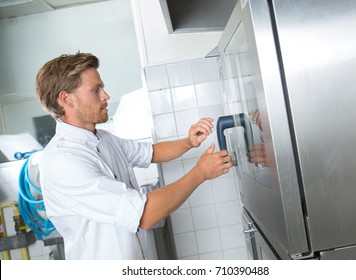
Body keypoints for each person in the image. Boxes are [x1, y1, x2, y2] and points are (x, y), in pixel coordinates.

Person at [35, 52, 233, 260]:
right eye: (95, 90)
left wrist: (189, 142)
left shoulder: (102, 138)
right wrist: (200, 172)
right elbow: (144, 214)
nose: (106, 96)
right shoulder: (63, 161)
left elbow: (151, 152)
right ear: (66, 99)